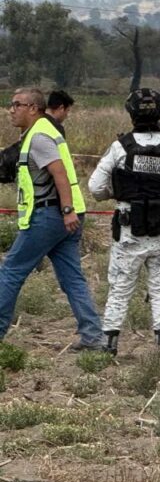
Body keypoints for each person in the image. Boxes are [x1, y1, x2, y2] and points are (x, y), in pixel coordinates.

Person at [89, 89, 160, 355]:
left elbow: (95, 187)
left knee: (120, 285)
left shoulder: (121, 147)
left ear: (131, 113)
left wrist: (116, 194)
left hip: (129, 229)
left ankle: (110, 341)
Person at [0, 88, 104, 351]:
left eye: (17, 105)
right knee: (72, 278)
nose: (11, 110)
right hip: (64, 216)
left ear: (33, 108)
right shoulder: (42, 133)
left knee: (11, 271)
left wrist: (66, 210)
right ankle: (93, 336)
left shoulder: (39, 137)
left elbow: (58, 174)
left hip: (50, 215)